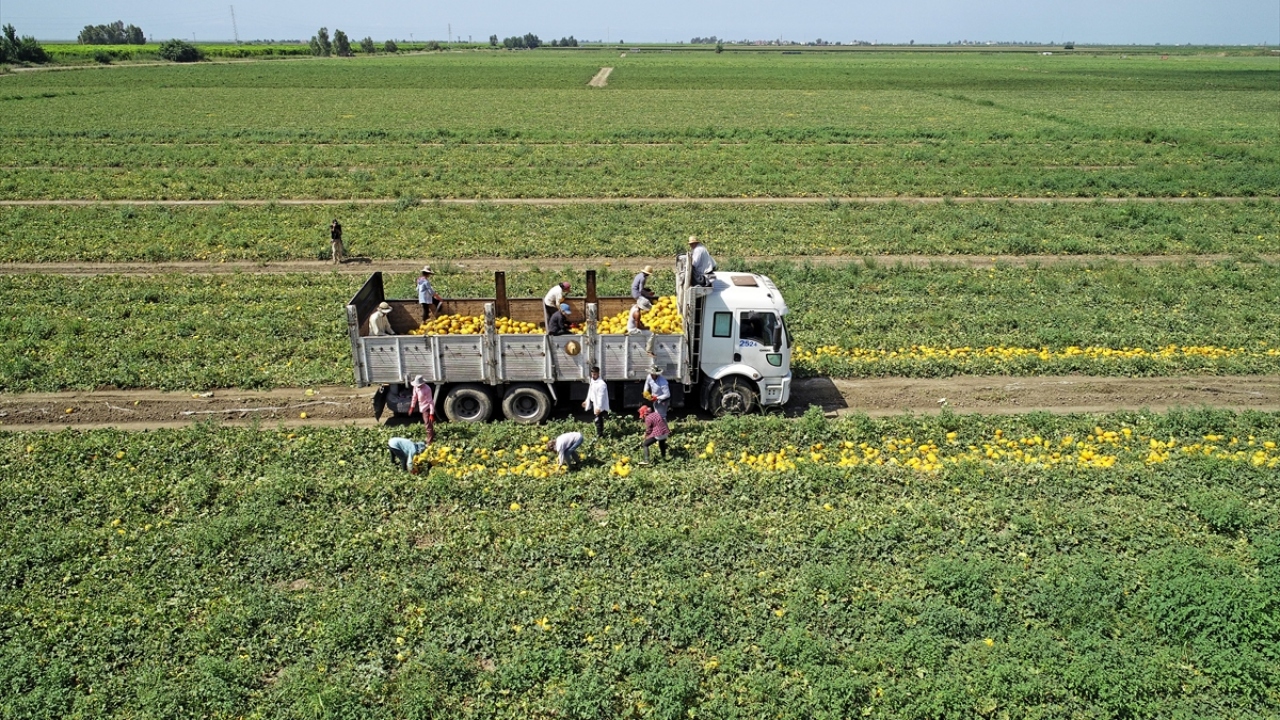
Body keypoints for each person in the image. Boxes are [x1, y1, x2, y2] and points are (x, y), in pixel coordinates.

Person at [582, 366, 609, 439]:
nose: (593, 376)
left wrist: (599, 408)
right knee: (597, 419)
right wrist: (586, 401)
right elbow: (590, 391)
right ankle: (599, 433)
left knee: (598, 419)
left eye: (595, 374)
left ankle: (600, 435)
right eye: (592, 374)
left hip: (599, 404)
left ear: (598, 373)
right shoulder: (592, 381)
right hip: (594, 402)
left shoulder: (601, 384)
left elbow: (601, 397)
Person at [408, 375, 435, 444]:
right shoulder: (416, 387)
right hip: (421, 407)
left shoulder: (427, 389)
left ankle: (429, 442)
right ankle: (432, 435)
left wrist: (431, 414)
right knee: (428, 424)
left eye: (419, 385)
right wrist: (412, 407)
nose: (417, 386)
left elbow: (431, 402)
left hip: (427, 408)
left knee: (427, 424)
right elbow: (414, 397)